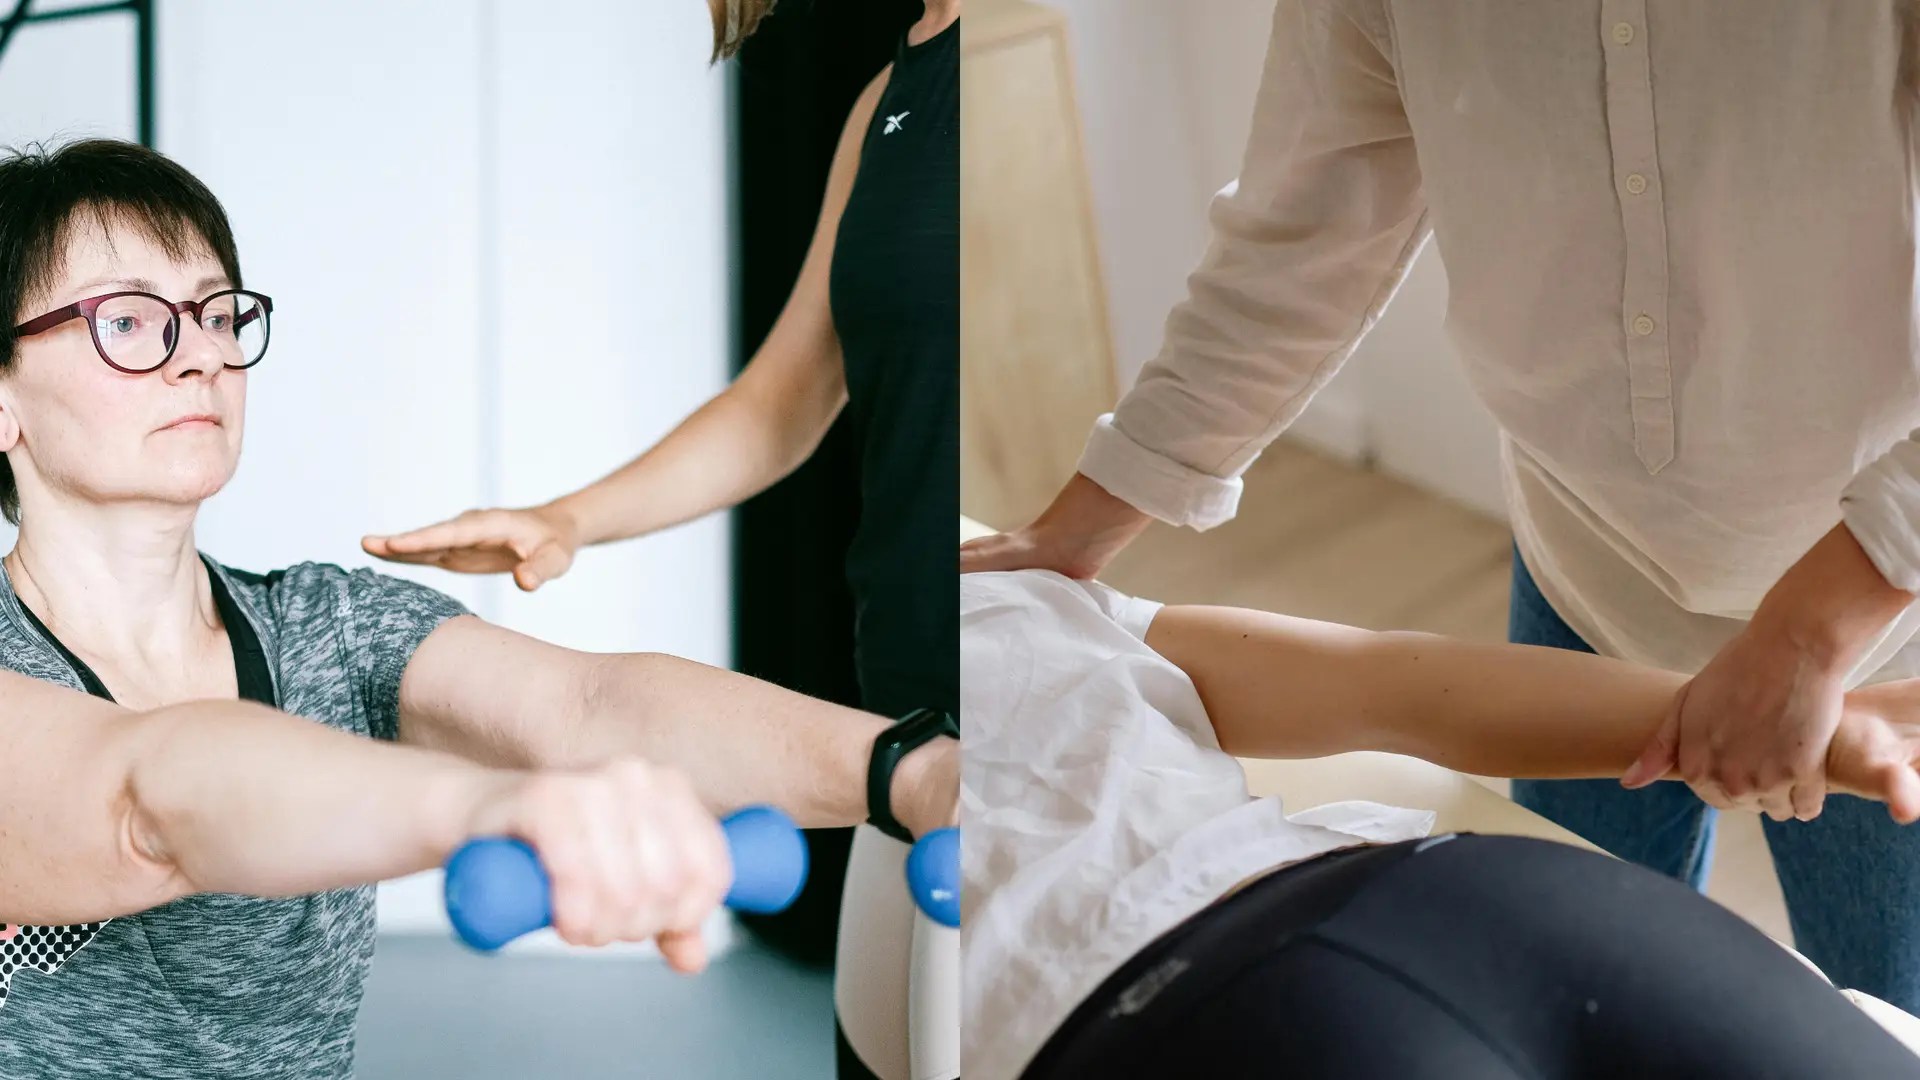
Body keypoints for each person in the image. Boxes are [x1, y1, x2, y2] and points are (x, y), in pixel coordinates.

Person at [961, 0, 1920, 1008]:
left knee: (1886, 1010)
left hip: (1884, 612)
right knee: (1574, 962)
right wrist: (1080, 524)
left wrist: (1813, 636)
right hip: (1585, 561)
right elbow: (1300, 238)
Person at [0, 137, 956, 1080]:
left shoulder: (327, 627)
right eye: (126, 322)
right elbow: (150, 794)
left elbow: (589, 708)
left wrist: (906, 767)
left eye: (216, 312)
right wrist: (501, 805)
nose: (201, 354)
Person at [962, 569, 1920, 1079]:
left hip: (1453, 909)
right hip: (1417, 918)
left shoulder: (1012, 588)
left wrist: (1780, 724)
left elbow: (1388, 682)